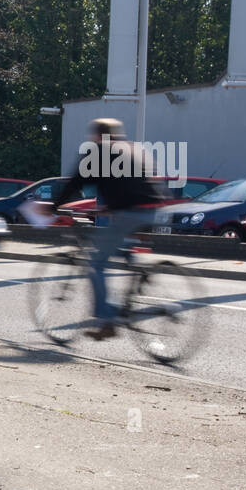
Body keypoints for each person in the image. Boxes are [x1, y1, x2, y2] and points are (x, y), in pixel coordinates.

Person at [53, 118, 166, 340]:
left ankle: (107, 320)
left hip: (129, 212)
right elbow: (130, 183)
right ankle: (137, 271)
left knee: (96, 263)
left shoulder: (100, 151)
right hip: (152, 209)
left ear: (97, 136)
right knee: (119, 245)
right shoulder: (133, 148)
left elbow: (76, 182)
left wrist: (54, 206)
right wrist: (110, 207)